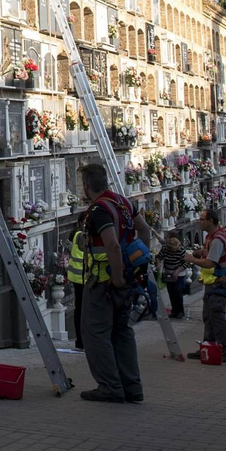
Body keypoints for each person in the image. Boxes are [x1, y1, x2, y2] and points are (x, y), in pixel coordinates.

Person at [77, 162, 150, 403]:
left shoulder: (99, 210)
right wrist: (139, 265)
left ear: (87, 186)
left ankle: (109, 386)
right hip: (128, 280)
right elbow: (145, 231)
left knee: (95, 334)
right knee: (122, 332)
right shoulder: (124, 202)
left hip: (104, 283)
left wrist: (116, 278)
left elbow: (112, 245)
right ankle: (132, 387)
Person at [184, 208, 226, 363]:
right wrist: (201, 252)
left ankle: (223, 352)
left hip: (219, 285)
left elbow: (210, 263)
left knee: (217, 318)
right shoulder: (211, 237)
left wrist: (191, 259)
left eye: (202, 219)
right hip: (212, 284)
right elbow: (209, 255)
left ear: (210, 221)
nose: (199, 221)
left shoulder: (218, 240)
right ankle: (208, 347)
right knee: (208, 318)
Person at [67, 210, 88, 351]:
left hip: (79, 276)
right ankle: (81, 341)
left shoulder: (76, 234)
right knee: (82, 310)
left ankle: (81, 341)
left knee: (80, 309)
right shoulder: (81, 235)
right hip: (82, 277)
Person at [157, 233, 189, 320]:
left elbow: (186, 263)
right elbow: (159, 257)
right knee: (171, 291)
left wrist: (178, 270)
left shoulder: (181, 251)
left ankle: (180, 311)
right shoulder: (165, 249)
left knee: (177, 291)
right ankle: (174, 310)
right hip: (168, 272)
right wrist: (159, 263)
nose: (173, 251)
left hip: (178, 273)